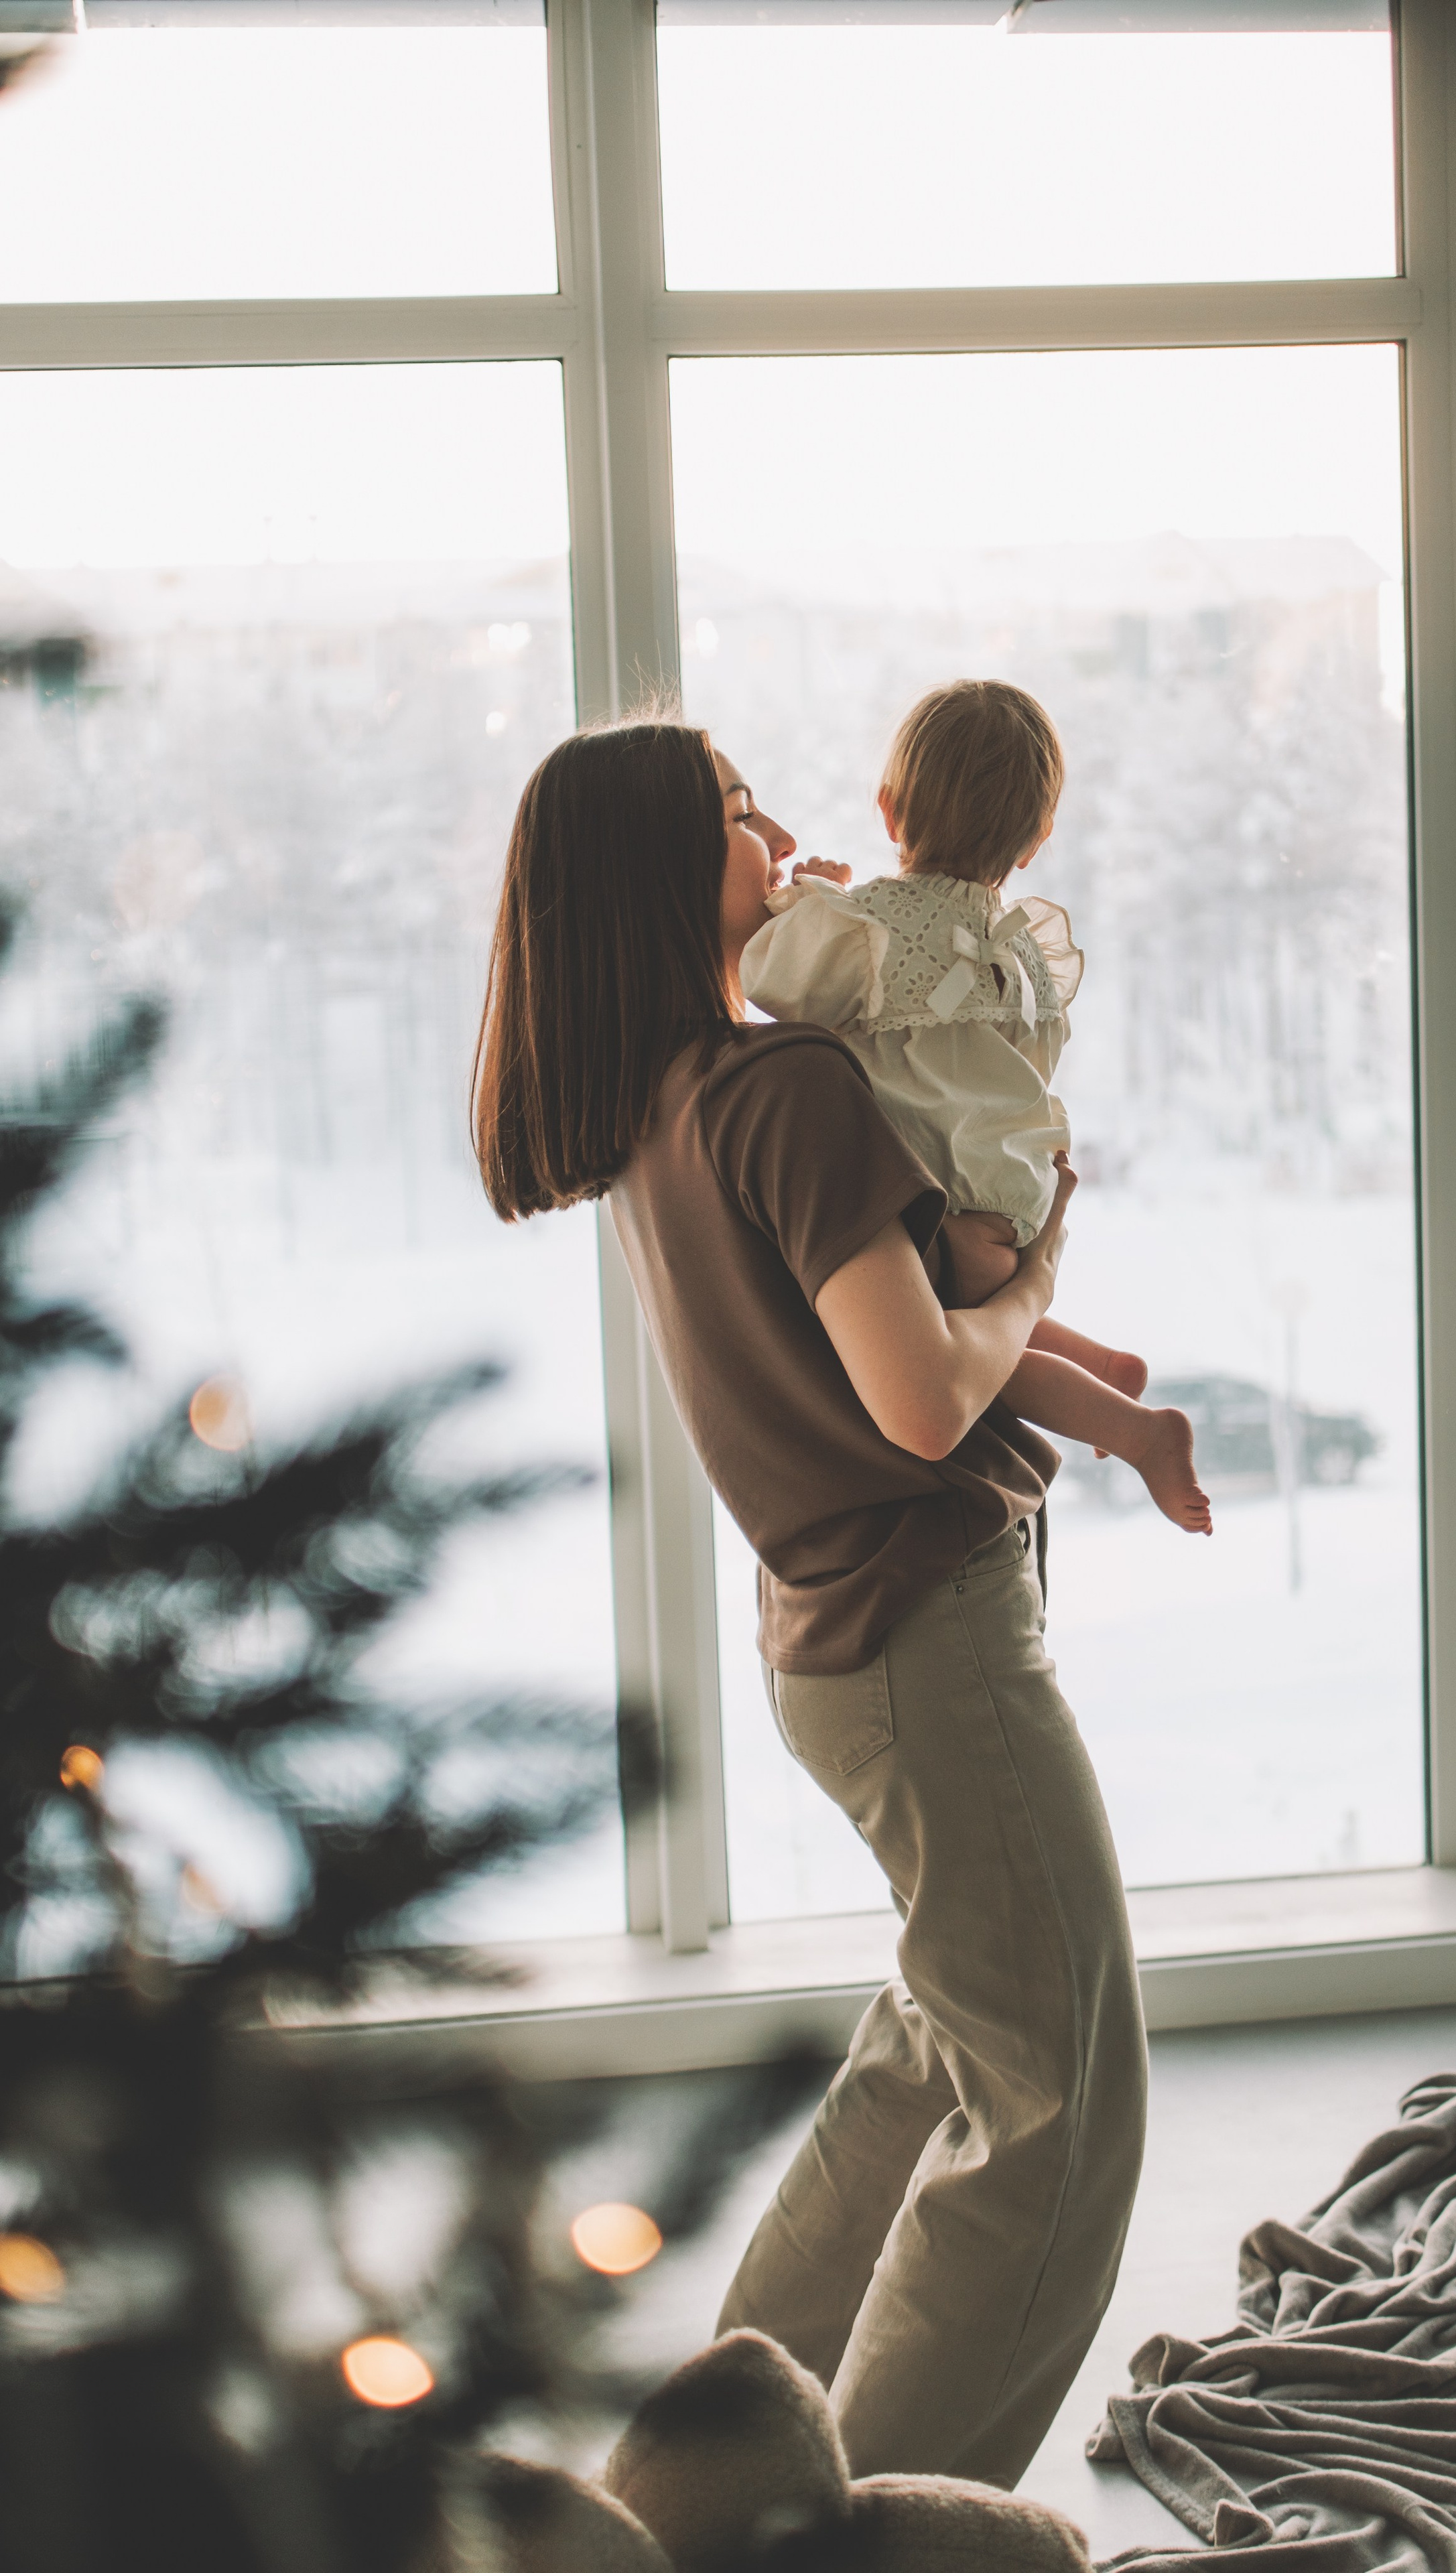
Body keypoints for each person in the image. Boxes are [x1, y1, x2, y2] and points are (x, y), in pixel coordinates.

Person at [471, 718, 1146, 2491]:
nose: (778, 829)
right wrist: (1041, 1267)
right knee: (1062, 2099)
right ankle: (855, 2537)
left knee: (935, 2049)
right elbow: (924, 1397)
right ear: (650, 878)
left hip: (841, 1642)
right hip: (927, 1636)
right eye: (734, 813)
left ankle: (709, 2484)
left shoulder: (671, 1104)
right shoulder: (783, 1092)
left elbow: (885, 1354)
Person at [741, 680, 1209, 1536]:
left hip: (932, 1185)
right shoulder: (1022, 950)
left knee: (968, 1352)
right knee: (1001, 1320)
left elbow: (772, 979)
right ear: (1034, 842)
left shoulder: (863, 930)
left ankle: (1136, 1431)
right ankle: (1104, 1366)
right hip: (1009, 1183)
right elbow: (1037, 1060)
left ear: (889, 810)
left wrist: (806, 898)